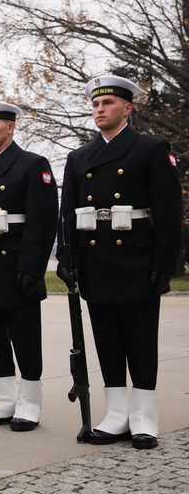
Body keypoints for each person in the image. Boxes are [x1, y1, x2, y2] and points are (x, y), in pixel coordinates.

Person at [56, 75, 183, 450]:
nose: (99, 110)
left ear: (127, 108)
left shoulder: (151, 148)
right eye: (95, 105)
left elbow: (169, 210)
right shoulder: (79, 157)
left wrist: (166, 261)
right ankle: (115, 416)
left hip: (139, 259)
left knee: (141, 342)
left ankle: (143, 418)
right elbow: (69, 214)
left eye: (107, 103)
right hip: (97, 260)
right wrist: (68, 256)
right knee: (107, 342)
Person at [0, 101, 58, 432]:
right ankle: (6, 399)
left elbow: (44, 220)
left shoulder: (32, 164)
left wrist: (33, 267)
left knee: (24, 337)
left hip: (18, 264)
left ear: (11, 127)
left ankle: (31, 401)